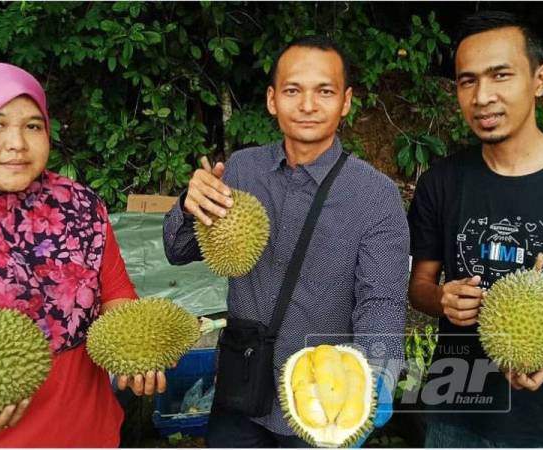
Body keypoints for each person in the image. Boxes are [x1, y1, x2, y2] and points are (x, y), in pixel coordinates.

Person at [163, 35, 409, 447]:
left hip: (321, 402)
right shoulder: (241, 170)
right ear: (273, 100)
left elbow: (380, 300)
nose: (308, 105)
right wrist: (189, 207)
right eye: (294, 90)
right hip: (241, 390)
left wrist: (376, 375)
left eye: (325, 91)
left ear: (346, 101)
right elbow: (178, 250)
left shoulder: (375, 195)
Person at [0, 62, 166, 447]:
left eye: (33, 125)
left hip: (90, 432)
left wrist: (136, 349)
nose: (17, 143)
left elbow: (115, 295)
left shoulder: (79, 206)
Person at [408, 10, 543, 447]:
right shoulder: (442, 181)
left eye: (500, 75)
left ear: (540, 79)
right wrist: (442, 299)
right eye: (467, 81)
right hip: (455, 410)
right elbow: (419, 286)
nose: (482, 96)